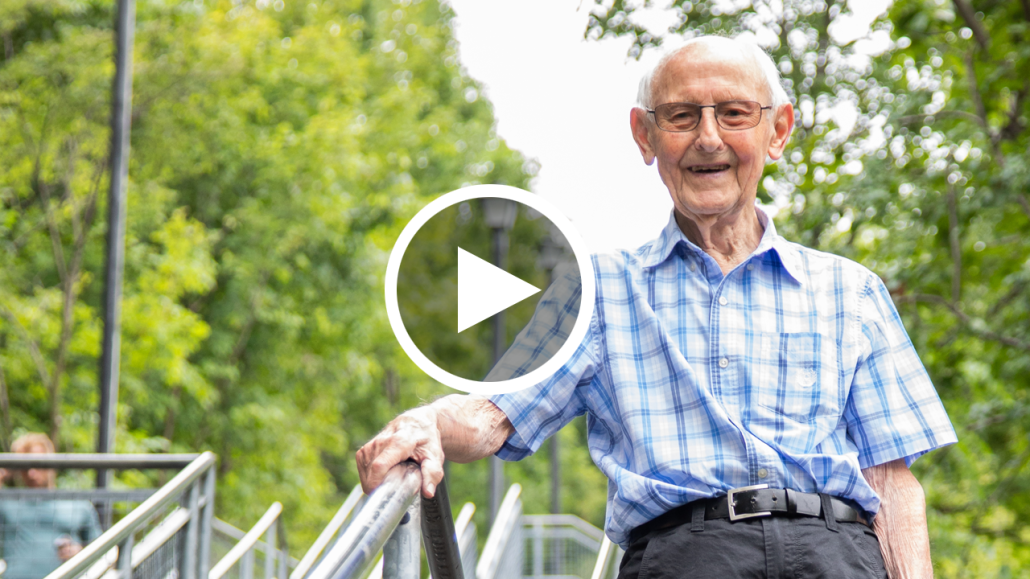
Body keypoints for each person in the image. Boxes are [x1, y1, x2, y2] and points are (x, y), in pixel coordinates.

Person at [356, 36, 956, 579]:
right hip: (687, 555)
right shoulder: (598, 289)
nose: (709, 137)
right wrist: (426, 421)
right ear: (646, 136)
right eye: (681, 116)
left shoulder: (850, 290)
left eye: (735, 113)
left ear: (777, 131)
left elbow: (891, 484)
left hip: (837, 552)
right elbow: (492, 417)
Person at [0, 433, 103, 579]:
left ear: (52, 463)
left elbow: (104, 553)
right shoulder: (6, 503)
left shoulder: (78, 505)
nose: (31, 473)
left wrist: (80, 554)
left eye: (37, 465)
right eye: (24, 467)